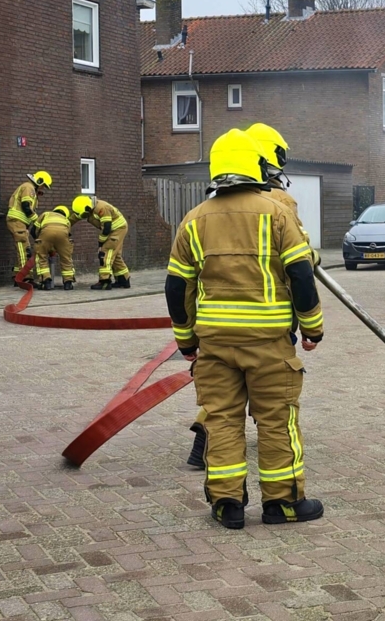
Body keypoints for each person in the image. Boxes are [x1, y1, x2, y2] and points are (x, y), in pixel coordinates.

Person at [166, 128, 324, 529]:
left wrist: (186, 341)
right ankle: (283, 504)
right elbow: (301, 275)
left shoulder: (193, 219)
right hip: (269, 344)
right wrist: (312, 329)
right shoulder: (277, 212)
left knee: (221, 421)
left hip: (215, 346)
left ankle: (227, 505)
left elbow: (177, 287)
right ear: (256, 166)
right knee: (276, 420)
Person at [71, 196, 131, 290]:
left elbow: (106, 228)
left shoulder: (102, 208)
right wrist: (64, 225)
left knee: (105, 253)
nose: (83, 216)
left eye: (84, 214)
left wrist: (101, 243)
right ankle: (123, 280)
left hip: (117, 229)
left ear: (88, 208)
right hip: (112, 230)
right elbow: (75, 217)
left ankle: (104, 282)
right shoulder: (87, 208)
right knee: (115, 256)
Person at [6, 171, 52, 283]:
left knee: (22, 250)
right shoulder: (29, 187)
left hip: (20, 223)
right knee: (25, 250)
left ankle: (17, 275)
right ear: (39, 181)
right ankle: (25, 278)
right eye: (43, 185)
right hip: (17, 221)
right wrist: (38, 221)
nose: (43, 188)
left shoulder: (31, 189)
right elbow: (26, 207)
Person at [31, 205, 76, 290]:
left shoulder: (46, 214)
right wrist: (55, 246)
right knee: (66, 259)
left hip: (46, 234)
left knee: (41, 257)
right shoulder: (66, 220)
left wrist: (41, 243)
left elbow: (33, 230)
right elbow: (67, 235)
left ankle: (46, 282)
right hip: (62, 236)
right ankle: (68, 283)